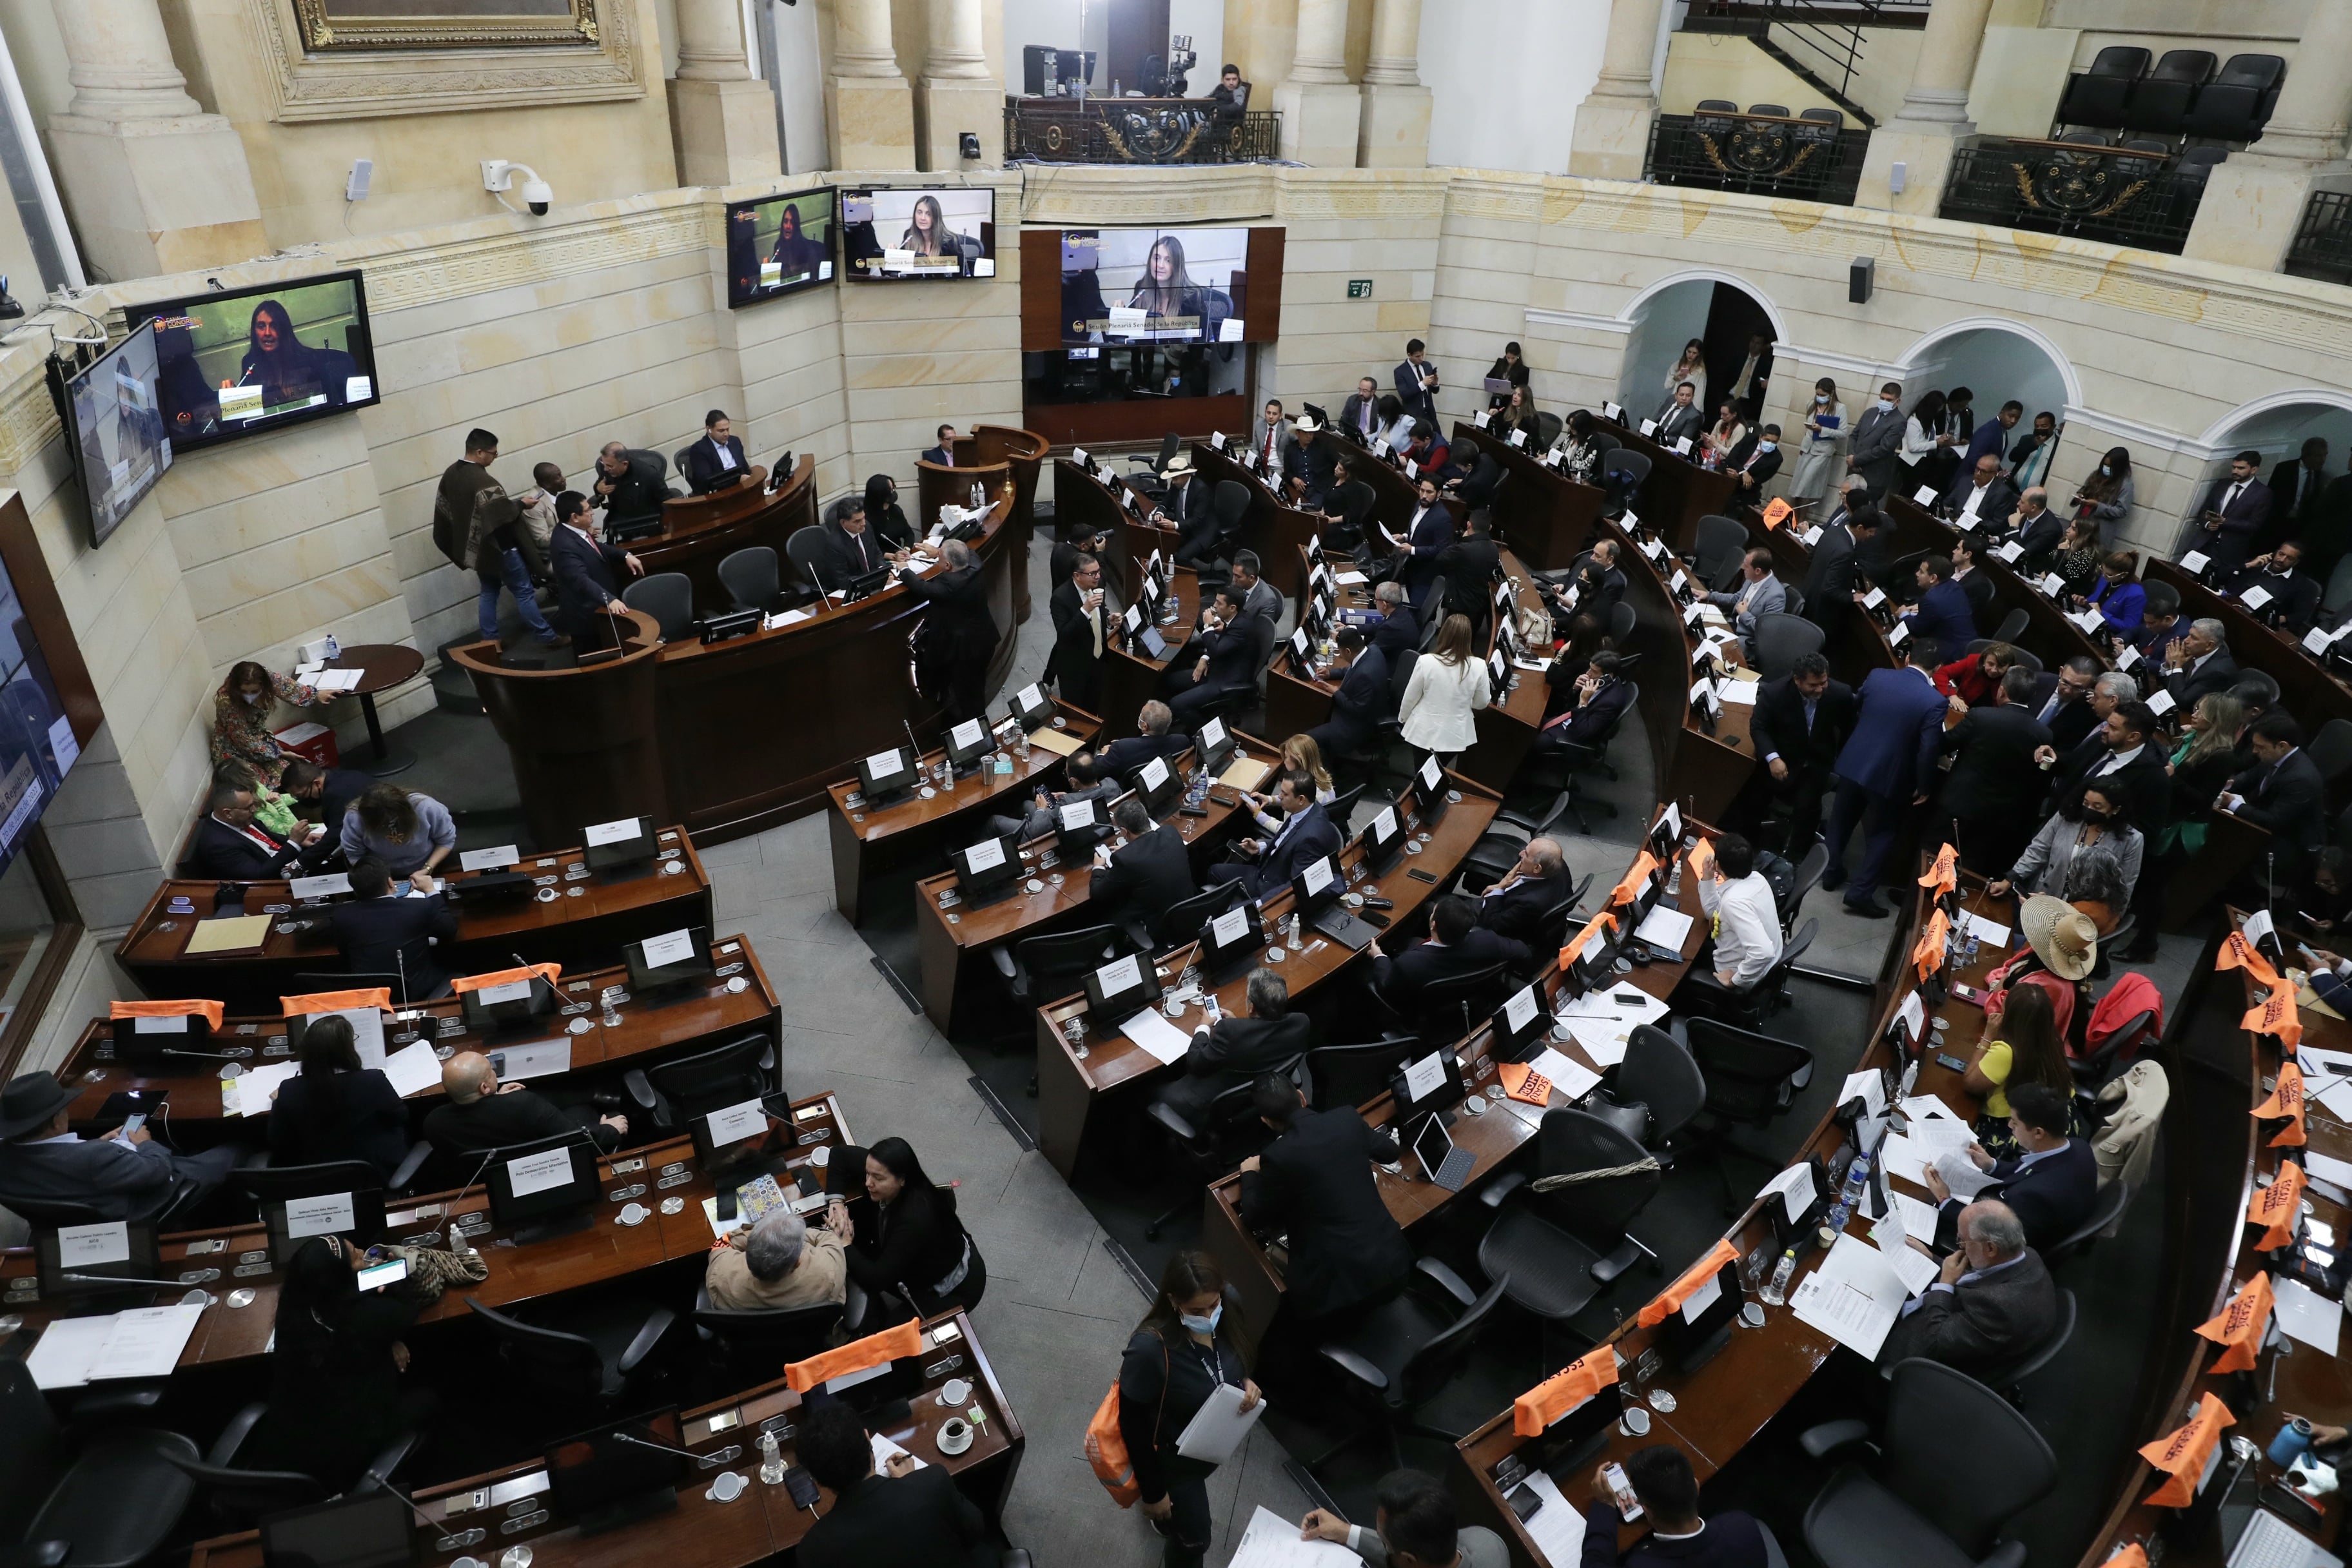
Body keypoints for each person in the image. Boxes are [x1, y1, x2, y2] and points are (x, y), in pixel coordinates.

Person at [243, 1235, 426, 1491]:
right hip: (348, 1447)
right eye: (355, 1256)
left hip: (295, 1440)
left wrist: (386, 1340)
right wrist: (394, 1284)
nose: (362, 1251)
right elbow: (406, 1310)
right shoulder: (365, 1316)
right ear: (339, 1277)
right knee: (428, 1400)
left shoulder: (293, 1308)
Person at [1119, 1251, 1262, 1568]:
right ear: (1174, 1301)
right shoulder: (1150, 1349)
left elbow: (1237, 1353)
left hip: (1209, 1443)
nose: (1210, 1315)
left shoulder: (1228, 1303)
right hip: (1172, 1459)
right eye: (1197, 1311)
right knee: (1196, 1539)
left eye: (1213, 1305)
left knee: (1183, 1517)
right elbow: (1132, 1424)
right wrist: (1154, 1493)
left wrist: (1244, 1381)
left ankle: (1171, 1518)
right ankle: (1168, 1521)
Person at [1241, 1078, 1413, 1319]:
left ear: (1266, 1121)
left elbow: (1253, 1217)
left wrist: (1249, 1173)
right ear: (1302, 1097)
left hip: (1336, 1301)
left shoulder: (1277, 1157)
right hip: (1396, 1270)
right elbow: (1390, 1152)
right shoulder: (1346, 1118)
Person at [0, 1068, 242, 1221]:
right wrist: (146, 1144)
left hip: (75, 1220)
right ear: (56, 1120)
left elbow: (59, 1167)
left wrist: (94, 1144)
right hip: (139, 1208)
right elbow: (157, 1172)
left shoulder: (4, 1160)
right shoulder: (95, 1157)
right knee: (236, 1148)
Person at [1822, 638, 1948, 918]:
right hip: (1889, 776)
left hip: (1854, 761)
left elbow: (1857, 705)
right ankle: (1860, 893)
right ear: (1938, 668)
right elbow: (1929, 749)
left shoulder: (1878, 675)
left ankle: (1829, 872)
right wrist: (1925, 786)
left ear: (1908, 658)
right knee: (1883, 833)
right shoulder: (1935, 702)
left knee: (1841, 820)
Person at [794, 1396, 992, 1568]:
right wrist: (912, 1483)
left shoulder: (812, 1551)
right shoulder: (932, 1481)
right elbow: (975, 1530)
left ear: (815, 1478)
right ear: (867, 1438)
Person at [1881, 1200, 2058, 1375]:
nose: (1961, 1246)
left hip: (1914, 1348)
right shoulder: (2026, 1255)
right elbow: (1978, 1278)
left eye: (1963, 1240)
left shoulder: (2000, 1308)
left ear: (1990, 1248)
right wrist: (1932, 1259)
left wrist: (1945, 1284)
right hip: (1951, 1313)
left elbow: (1935, 1342)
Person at [1925, 1083, 2097, 1252]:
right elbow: (2025, 1169)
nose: (2009, 1126)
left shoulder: (2033, 1197)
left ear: (2038, 1133)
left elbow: (1992, 1238)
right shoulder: (2079, 1147)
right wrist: (1991, 1165)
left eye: (2015, 1123)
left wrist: (1944, 1200)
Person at [433, 429, 564, 651]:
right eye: (493, 454)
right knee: (523, 592)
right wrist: (522, 504)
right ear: (479, 452)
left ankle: (490, 641)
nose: (495, 457)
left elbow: (448, 510)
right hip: (502, 547)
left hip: (480, 549)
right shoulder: (482, 480)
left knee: (489, 591)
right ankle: (547, 637)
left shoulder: (451, 473)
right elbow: (502, 514)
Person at [832, 1137, 983, 1326]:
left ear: (902, 1179)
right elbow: (838, 1154)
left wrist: (845, 1244)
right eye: (867, 1173)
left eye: (878, 1178)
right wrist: (836, 1203)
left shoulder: (914, 1220)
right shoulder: (881, 1166)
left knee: (892, 1330)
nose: (868, 1182)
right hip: (920, 1259)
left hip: (954, 1289)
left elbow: (877, 1280)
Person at [1934, 666, 2053, 876]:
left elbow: (1943, 744)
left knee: (1934, 859)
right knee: (1968, 871)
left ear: (2002, 691)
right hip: (1996, 818)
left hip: (1958, 805)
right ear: (2032, 696)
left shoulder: (1981, 716)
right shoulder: (2043, 734)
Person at [1157, 969, 1316, 1124]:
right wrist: (1239, 1025)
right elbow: (1262, 1034)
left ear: (1251, 1007)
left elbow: (1194, 1063)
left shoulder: (1229, 1032)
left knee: (1150, 1090)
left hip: (1208, 1104)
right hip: (1256, 1095)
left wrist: (1203, 1026)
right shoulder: (1301, 1023)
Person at [268, 1014, 408, 1180]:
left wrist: (279, 1102)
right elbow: (401, 1116)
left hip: (313, 1179)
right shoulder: (373, 1080)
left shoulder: (289, 1090)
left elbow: (278, 1140)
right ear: (346, 1049)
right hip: (372, 1174)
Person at [1581, 1444, 1768, 1568]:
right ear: (1696, 1486)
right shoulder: (1742, 1526)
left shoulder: (1643, 1564)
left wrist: (1605, 1504)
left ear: (1647, 1511)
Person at [1746, 652, 1854, 855]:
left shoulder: (1841, 694)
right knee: (1752, 799)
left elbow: (1850, 729)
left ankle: (1795, 859)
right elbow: (1758, 727)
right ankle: (1749, 846)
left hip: (1816, 763)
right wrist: (1773, 758)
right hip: (1782, 759)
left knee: (1808, 809)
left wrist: (1842, 761)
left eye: (1823, 683)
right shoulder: (1775, 693)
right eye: (1813, 685)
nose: (1820, 689)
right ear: (1797, 680)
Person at [422, 1050, 627, 1156]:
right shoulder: (523, 1104)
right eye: (491, 1070)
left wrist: (495, 1099)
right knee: (584, 1111)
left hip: (493, 1179)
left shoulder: (434, 1123)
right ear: (484, 1088)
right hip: (550, 1163)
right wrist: (608, 1130)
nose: (494, 1072)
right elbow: (575, 1140)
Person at [1959, 982, 2082, 1157]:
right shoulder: (2051, 1039)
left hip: (2015, 1136)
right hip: (2060, 1126)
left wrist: (1988, 1036)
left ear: (2010, 1015)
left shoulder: (2007, 1051)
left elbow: (1970, 1084)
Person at [1301, 1468, 1509, 1567]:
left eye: (1385, 1544)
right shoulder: (1489, 1542)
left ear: (1410, 1560)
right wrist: (1344, 1532)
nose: (1383, 1546)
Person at [1995, 783, 2144, 916]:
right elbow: (2038, 850)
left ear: (2115, 809)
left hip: (2083, 914)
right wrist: (2010, 879)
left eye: (2097, 807)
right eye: (2086, 803)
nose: (2089, 809)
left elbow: (2124, 887)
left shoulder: (2132, 840)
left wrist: (2109, 920)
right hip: (2044, 898)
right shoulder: (2067, 817)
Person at [1369, 894, 1531, 1014]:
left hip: (1423, 1011)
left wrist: (1379, 956)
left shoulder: (1408, 964)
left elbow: (1386, 989)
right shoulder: (1489, 941)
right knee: (1413, 941)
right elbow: (1524, 952)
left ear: (1433, 925)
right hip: (1470, 1000)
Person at [327, 855, 457, 1001]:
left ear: (355, 890)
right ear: (390, 882)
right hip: (419, 992)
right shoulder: (419, 907)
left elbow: (346, 954)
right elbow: (449, 931)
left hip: (373, 997)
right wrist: (431, 890)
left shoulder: (341, 917)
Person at [896, 537, 995, 722]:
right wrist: (937, 552)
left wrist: (904, 570)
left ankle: (977, 731)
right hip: (984, 640)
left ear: (948, 566)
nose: (939, 558)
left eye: (941, 558)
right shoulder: (976, 564)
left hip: (964, 651)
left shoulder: (949, 585)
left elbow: (921, 588)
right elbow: (968, 550)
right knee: (976, 687)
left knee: (967, 697)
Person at [2220, 712, 2327, 883]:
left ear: (2282, 746)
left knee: (2227, 841)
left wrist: (2232, 804)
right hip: (2267, 819)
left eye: (2260, 747)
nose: (2255, 751)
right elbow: (2249, 776)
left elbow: (2273, 820)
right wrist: (2225, 785)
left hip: (2289, 843)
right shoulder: (2275, 756)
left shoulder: (2301, 780)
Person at [1209, 769, 1340, 897]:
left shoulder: (1310, 839)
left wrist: (1260, 904)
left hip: (1271, 887)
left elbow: (1295, 885)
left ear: (1301, 799)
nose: (1280, 796)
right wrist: (1260, 847)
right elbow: (1288, 840)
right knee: (1215, 870)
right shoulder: (1310, 809)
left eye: (1285, 794)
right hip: (1268, 868)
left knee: (1214, 875)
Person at [2048, 700, 2168, 836]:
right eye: (2107, 724)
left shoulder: (2153, 777)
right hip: (2057, 822)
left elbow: (2146, 829)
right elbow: (2075, 765)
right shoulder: (2101, 741)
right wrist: (2054, 758)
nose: (2104, 730)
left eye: (2113, 728)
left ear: (2133, 737)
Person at [1688, 832, 1782, 994]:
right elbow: (1712, 913)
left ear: (1718, 865)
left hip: (1742, 973)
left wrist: (1735, 980)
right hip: (1764, 965)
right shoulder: (1757, 879)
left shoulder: (1733, 903)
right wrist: (1708, 877)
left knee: (1685, 957)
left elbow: (1763, 952)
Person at [705, 1204, 848, 1311]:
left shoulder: (720, 1273)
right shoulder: (828, 1267)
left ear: (748, 1255)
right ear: (797, 1263)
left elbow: (723, 1243)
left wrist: (759, 1236)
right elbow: (827, 1237)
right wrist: (789, 1237)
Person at [549, 490, 646, 643]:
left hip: (597, 609)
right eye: (587, 510)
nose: (592, 513)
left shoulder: (574, 530)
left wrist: (625, 555)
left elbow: (597, 547)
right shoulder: (564, 544)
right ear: (575, 517)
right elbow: (580, 580)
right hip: (587, 616)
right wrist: (609, 600)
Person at [1166, 585, 1271, 727]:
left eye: (1219, 603)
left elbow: (1216, 650)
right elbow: (1224, 644)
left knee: (1177, 704)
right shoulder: (1237, 619)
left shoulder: (1240, 627)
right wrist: (1205, 658)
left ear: (1232, 608)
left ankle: (1208, 732)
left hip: (1227, 681)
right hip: (1218, 669)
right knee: (1170, 680)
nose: (1215, 606)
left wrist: (1208, 626)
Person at [1090, 797, 1193, 939]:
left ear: (1124, 832)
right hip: (1189, 910)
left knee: (1106, 913)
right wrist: (1131, 849)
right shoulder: (1171, 832)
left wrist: (1098, 867)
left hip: (1160, 926)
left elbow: (1098, 894)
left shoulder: (1125, 859)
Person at [210, 660, 320, 789]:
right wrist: (280, 753)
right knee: (260, 786)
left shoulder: (265, 677)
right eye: (244, 691)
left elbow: (286, 686)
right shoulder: (227, 703)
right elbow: (243, 740)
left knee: (290, 775)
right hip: (234, 749)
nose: (249, 696)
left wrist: (314, 695)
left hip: (260, 744)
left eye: (254, 691)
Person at [237, 298, 359, 410]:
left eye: (274, 326)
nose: (267, 333)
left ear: (284, 330)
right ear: (254, 331)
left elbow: (329, 405)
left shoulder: (310, 361)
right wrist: (231, 393)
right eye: (261, 326)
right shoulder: (250, 362)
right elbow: (246, 408)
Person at [190, 778, 325, 879]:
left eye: (253, 804)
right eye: (249, 807)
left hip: (287, 860)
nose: (254, 810)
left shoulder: (240, 818)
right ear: (228, 813)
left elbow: (271, 838)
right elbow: (260, 874)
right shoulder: (218, 846)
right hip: (276, 880)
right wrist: (293, 843)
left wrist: (300, 840)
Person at [1398, 613, 1488, 761]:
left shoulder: (1426, 661)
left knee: (1422, 771)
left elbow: (1411, 697)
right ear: (1469, 638)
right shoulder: (1479, 666)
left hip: (1423, 732)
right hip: (1456, 736)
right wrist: (1464, 702)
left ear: (1444, 634)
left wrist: (1403, 719)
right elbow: (1482, 703)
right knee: (1442, 771)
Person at [338, 784, 455, 890]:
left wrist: (427, 869)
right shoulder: (355, 817)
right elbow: (355, 855)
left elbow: (446, 841)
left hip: (430, 866)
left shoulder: (427, 807)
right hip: (381, 876)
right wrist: (380, 880)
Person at [1533, 649, 1635, 760]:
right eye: (1590, 668)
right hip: (1567, 719)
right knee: (1532, 721)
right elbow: (1569, 706)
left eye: (1594, 671)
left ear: (1608, 676)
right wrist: (1575, 689)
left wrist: (1583, 702)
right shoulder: (1597, 681)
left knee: (1533, 743)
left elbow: (1582, 733)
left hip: (1574, 733)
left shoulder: (1610, 703)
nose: (1588, 673)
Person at [1308, 626, 1391, 760]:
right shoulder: (1373, 651)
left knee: (1308, 739)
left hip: (1354, 727)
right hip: (1370, 709)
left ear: (1347, 651)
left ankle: (1327, 770)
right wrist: (1330, 674)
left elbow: (1357, 709)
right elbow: (1352, 668)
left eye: (1340, 652)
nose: (1340, 655)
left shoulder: (1365, 676)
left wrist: (1336, 692)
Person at [1475, 837, 1573, 947]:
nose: (1520, 854)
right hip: (1511, 907)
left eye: (1526, 854)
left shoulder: (1531, 903)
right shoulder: (1559, 866)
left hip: (1492, 916)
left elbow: (1494, 926)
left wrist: (1500, 888)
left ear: (1537, 868)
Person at [1050, 552, 1113, 714]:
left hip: (1098, 661)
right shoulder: (1060, 597)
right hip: (1074, 669)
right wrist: (1085, 610)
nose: (1098, 576)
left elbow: (1101, 611)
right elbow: (1064, 634)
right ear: (1077, 575)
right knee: (1076, 716)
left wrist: (1109, 620)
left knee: (1094, 710)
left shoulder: (1097, 585)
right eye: (1093, 573)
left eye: (1098, 571)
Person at [1799, 506, 1877, 634]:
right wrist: (1852, 597)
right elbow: (1829, 590)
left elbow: (1810, 558)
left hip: (1807, 597)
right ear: (1860, 528)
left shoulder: (1832, 530)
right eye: (1871, 531)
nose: (1872, 535)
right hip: (1820, 615)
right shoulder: (1846, 552)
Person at [2192, 449, 2273, 568]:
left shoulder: (2262, 493)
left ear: (2254, 470)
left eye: (2241, 468)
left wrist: (2224, 522)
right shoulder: (2222, 484)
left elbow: (2254, 525)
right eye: (2234, 467)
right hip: (2204, 543)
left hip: (2229, 550)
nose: (2235, 471)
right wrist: (2208, 524)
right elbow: (2204, 510)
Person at [2226, 540, 2323, 633]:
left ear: (2295, 563)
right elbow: (2224, 577)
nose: (2282, 560)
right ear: (2275, 553)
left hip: (2261, 627)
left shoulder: (2303, 585)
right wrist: (2249, 565)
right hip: (2234, 609)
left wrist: (2279, 619)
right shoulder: (2254, 566)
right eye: (2281, 554)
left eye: (2289, 558)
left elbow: (2301, 614)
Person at [1128, 233, 1215, 337]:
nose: (1160, 265)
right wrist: (1119, 311)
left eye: (1168, 260)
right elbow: (1129, 329)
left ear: (1176, 265)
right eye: (1157, 258)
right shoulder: (1142, 288)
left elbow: (1201, 340)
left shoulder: (1192, 298)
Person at [1705, 549, 1785, 661]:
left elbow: (1766, 631)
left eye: (1746, 566)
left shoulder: (1776, 596)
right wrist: (1709, 595)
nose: (1742, 567)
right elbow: (1736, 598)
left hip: (1747, 638)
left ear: (1758, 571)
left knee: (1712, 654)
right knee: (1703, 632)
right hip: (1733, 624)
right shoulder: (1752, 578)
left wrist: (1744, 614)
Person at [1091, 700, 1191, 779]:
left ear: (1145, 726)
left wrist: (1103, 755)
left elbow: (1096, 770)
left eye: (1141, 715)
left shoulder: (1121, 748)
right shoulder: (1182, 741)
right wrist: (1126, 745)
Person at [1900, 556, 1975, 658]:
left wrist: (1904, 614)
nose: (1917, 574)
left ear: (1933, 578)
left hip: (1952, 654)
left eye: (1921, 572)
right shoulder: (1954, 586)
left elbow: (1917, 630)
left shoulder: (1931, 599)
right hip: (1968, 647)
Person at [1790, 377, 1850, 504]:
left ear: (1831, 393)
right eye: (1817, 394)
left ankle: (1803, 514)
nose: (1819, 397)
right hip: (1807, 449)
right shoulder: (1812, 404)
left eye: (1822, 395)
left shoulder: (1839, 408)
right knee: (1798, 485)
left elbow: (1843, 433)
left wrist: (1822, 429)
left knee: (1807, 485)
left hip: (1822, 452)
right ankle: (1794, 513)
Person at [2161, 616, 2239, 712]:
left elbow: (2182, 702)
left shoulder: (2217, 672)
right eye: (2189, 635)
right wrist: (2169, 666)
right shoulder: (2196, 652)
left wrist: (2176, 666)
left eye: (2194, 638)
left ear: (2209, 645)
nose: (2186, 641)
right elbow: (2172, 687)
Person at [1847, 381, 1907, 498]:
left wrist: (1857, 459)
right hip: (1853, 472)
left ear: (1897, 401)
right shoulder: (1870, 413)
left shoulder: (1899, 422)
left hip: (1873, 477)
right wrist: (1851, 457)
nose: (1884, 402)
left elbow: (1884, 448)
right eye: (1882, 398)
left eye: (1889, 400)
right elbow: (1854, 436)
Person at [587, 440, 671, 524]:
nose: (605, 469)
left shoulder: (649, 474)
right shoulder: (607, 469)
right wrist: (598, 488)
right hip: (618, 516)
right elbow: (599, 483)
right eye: (603, 464)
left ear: (625, 464)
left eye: (610, 466)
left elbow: (667, 501)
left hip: (646, 517)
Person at [280, 756, 370, 830]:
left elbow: (336, 835)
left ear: (317, 783)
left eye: (301, 795)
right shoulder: (350, 774)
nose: (301, 800)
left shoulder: (333, 796)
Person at [898, 193, 979, 273]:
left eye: (928, 214)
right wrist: (893, 254)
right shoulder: (909, 236)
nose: (923, 218)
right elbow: (899, 267)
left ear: (936, 218)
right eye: (919, 213)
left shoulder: (949, 242)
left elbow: (962, 273)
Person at [680, 408, 752, 495]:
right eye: (721, 431)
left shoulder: (735, 442)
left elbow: (745, 468)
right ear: (709, 429)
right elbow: (707, 481)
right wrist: (737, 480)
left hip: (743, 489)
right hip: (719, 494)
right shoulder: (699, 450)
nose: (726, 434)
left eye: (727, 429)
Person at [2068, 445, 2135, 536]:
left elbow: (2121, 511)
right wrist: (2079, 497)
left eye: (2109, 466)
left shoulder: (2126, 485)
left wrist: (2098, 505)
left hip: (2098, 529)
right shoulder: (2096, 474)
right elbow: (2084, 489)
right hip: (2079, 522)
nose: (2106, 468)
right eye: (2105, 464)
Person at [1897, 389, 1954, 495]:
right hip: (1912, 463)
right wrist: (1936, 443)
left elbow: (1927, 438)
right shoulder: (1914, 422)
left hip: (1924, 460)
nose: (1941, 410)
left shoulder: (1929, 419)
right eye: (1939, 407)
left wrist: (1941, 438)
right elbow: (1913, 447)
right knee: (1908, 490)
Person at [1931, 640, 2017, 709]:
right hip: (1963, 707)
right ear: (1984, 660)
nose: (1994, 670)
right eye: (1990, 664)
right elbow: (1941, 673)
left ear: (2009, 666)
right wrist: (1951, 695)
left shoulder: (2015, 678)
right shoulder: (1974, 661)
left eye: (2000, 666)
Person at [1939, 451, 2017, 527]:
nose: (1978, 474)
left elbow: (1998, 524)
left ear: (1994, 474)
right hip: (1954, 523)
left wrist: (1975, 525)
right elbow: (1947, 503)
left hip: (1975, 531)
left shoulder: (2002, 493)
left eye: (1983, 471)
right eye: (1977, 469)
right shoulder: (1965, 481)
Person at [2081, 552, 2145, 637]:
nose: (2104, 575)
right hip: (2091, 621)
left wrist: (2101, 613)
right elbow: (2096, 599)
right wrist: (2084, 601)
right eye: (2102, 570)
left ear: (2124, 575)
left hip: (2110, 633)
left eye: (2109, 575)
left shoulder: (2136, 594)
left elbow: (2129, 627)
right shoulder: (2106, 578)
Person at [2049, 514, 2105, 599]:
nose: (2067, 530)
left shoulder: (2086, 556)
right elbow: (2049, 564)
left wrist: (2061, 553)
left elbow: (2062, 580)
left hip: (2070, 597)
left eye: (2073, 529)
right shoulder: (2068, 543)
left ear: (2084, 534)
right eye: (2070, 527)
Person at [2008, 411, 2061, 492]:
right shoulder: (2027, 439)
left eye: (2044, 426)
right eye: (2037, 426)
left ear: (2053, 427)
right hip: (2013, 488)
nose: (2040, 429)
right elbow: (2012, 457)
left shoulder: (2059, 446)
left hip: (2036, 494)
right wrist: (2033, 445)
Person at [1963, 400, 2023, 471]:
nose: (2013, 421)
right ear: (2001, 413)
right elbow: (1974, 458)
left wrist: (1999, 472)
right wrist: (1994, 474)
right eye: (2011, 416)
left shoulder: (2003, 432)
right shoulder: (1988, 430)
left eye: (2017, 418)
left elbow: (1992, 460)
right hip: (1970, 476)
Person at [1250, 397, 1300, 479]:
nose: (1271, 416)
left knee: (1273, 481)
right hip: (1262, 465)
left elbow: (1299, 447)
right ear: (1265, 412)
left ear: (1280, 416)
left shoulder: (1288, 427)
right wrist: (1256, 462)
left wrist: (1289, 467)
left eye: (1274, 414)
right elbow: (1255, 448)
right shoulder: (1259, 425)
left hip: (1279, 468)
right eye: (1268, 413)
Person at [1395, 339, 1440, 428]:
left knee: (1438, 437)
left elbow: (1435, 391)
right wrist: (1422, 384)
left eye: (1423, 354)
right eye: (1418, 356)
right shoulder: (1400, 372)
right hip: (1414, 416)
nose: (1421, 358)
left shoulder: (1427, 366)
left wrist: (1435, 384)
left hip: (1430, 414)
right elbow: (1404, 394)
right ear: (1409, 355)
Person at [1727, 423, 1781, 495]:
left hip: (1748, 488)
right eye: (1767, 440)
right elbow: (1731, 458)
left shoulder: (1777, 458)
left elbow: (1760, 479)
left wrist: (1739, 476)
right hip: (1729, 476)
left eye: (1774, 442)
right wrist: (1743, 472)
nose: (1770, 444)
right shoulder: (1749, 439)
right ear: (1760, 437)